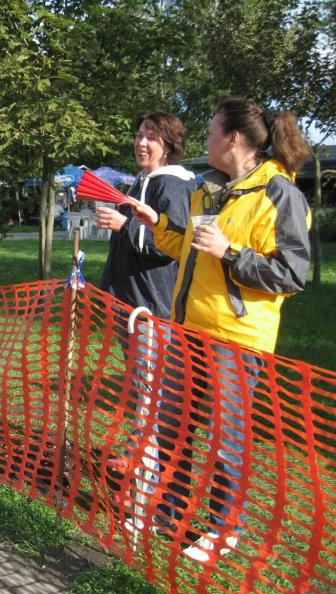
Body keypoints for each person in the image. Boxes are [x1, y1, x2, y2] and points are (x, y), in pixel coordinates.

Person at [132, 96, 311, 563]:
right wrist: (158, 224)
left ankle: (224, 529)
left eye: (212, 131)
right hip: (186, 331)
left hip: (236, 342)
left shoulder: (279, 194)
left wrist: (231, 254)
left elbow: (292, 274)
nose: (206, 139)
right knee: (173, 429)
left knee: (224, 441)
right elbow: (188, 250)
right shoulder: (209, 189)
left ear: (232, 139)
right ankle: (168, 511)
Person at [96, 111, 196, 319]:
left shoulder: (172, 184)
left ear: (168, 146)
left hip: (152, 306)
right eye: (139, 136)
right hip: (128, 299)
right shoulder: (142, 181)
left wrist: (125, 225)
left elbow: (174, 244)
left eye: (151, 138)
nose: (141, 143)